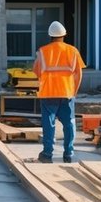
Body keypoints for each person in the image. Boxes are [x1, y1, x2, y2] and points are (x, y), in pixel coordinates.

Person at [32, 20, 85, 164]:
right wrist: (74, 91)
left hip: (48, 93)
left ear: (50, 35)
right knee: (69, 124)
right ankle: (69, 154)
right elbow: (79, 74)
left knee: (49, 124)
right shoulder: (73, 51)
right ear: (64, 35)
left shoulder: (42, 51)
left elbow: (36, 72)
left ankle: (47, 154)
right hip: (67, 93)